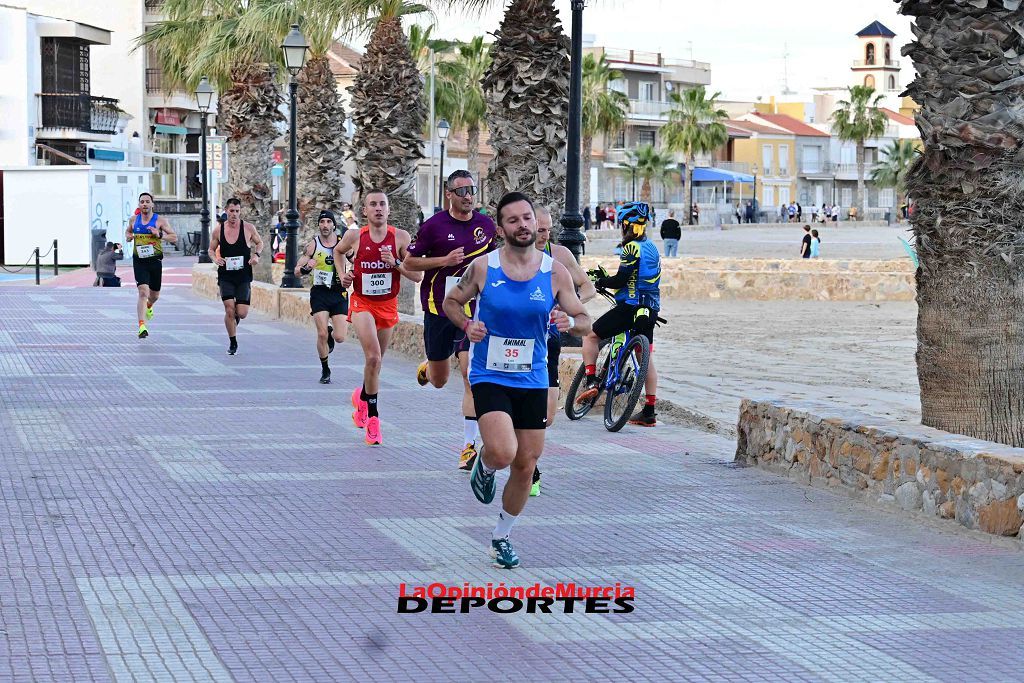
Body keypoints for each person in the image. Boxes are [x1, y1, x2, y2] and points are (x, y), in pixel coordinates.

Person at [444, 191, 591, 569]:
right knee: (504, 451)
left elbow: (585, 319)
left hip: (533, 377)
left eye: (527, 218)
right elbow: (451, 301)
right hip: (489, 373)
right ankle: (487, 466)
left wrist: (568, 322)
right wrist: (467, 324)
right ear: (500, 228)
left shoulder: (554, 272)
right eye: (513, 220)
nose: (523, 225)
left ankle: (501, 536)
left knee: (527, 463)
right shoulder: (483, 268)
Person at [404, 169, 498, 470]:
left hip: (472, 311)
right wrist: (444, 261)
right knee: (441, 379)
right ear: (449, 194)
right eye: (461, 191)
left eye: (472, 189)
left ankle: (469, 446)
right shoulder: (434, 226)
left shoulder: (486, 225)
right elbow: (410, 262)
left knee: (470, 375)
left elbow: (495, 262)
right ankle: (429, 368)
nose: (468, 196)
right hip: (439, 308)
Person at [334, 190, 422, 445]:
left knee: (377, 362)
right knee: (372, 356)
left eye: (382, 204)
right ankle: (373, 419)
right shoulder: (354, 236)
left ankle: (362, 396)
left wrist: (395, 262)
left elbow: (417, 276)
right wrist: (343, 276)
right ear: (365, 211)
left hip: (387, 305)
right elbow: (338, 253)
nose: (378, 208)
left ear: (389, 209)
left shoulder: (400, 237)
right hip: (362, 303)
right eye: (373, 204)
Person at [577, 202, 662, 427]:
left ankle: (591, 380)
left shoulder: (631, 248)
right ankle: (649, 410)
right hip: (650, 308)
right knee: (646, 356)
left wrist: (600, 281)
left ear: (626, 224)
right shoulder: (652, 247)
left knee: (590, 336)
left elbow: (622, 279)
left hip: (630, 307)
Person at [531, 206, 597, 496]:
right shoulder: (512, 258)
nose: (543, 235)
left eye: (548, 230)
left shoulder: (560, 256)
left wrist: (565, 306)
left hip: (550, 342)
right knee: (523, 411)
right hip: (519, 347)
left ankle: (526, 457)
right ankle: (530, 469)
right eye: (539, 229)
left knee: (548, 414)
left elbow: (588, 287)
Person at [295, 210, 349, 383]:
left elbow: (357, 261)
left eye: (328, 222)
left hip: (338, 292)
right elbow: (297, 270)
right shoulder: (313, 245)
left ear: (334, 225)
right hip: (319, 293)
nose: (325, 225)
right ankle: (325, 370)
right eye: (322, 222)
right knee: (321, 334)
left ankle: (332, 334)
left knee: (340, 337)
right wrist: (306, 268)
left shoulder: (342, 244)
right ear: (318, 225)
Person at [210, 197, 263, 355]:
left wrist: (256, 256)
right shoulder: (218, 230)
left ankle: (234, 319)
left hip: (243, 276)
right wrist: (216, 259)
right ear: (226, 211)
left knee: (241, 313)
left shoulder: (248, 228)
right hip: (225, 275)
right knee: (228, 309)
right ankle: (233, 342)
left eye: (237, 211)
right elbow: (210, 250)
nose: (234, 214)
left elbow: (259, 243)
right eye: (231, 211)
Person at [125, 192, 176, 339]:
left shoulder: (160, 220)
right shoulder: (134, 220)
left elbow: (174, 237)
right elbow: (128, 232)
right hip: (139, 261)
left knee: (154, 296)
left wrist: (159, 235)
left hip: (155, 261)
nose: (145, 204)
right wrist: (128, 236)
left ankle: (149, 306)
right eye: (142, 202)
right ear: (139, 205)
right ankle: (142, 326)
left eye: (148, 201)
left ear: (152, 204)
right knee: (142, 292)